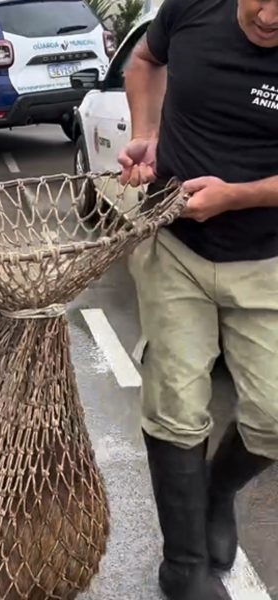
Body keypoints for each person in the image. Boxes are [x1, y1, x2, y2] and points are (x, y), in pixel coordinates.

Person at [119, 0, 278, 598]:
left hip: (266, 257)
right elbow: (143, 60)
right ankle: (183, 562)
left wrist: (236, 196)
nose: (268, 16)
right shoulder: (191, 7)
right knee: (176, 404)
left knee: (274, 415)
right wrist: (148, 133)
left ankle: (216, 492)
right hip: (173, 245)